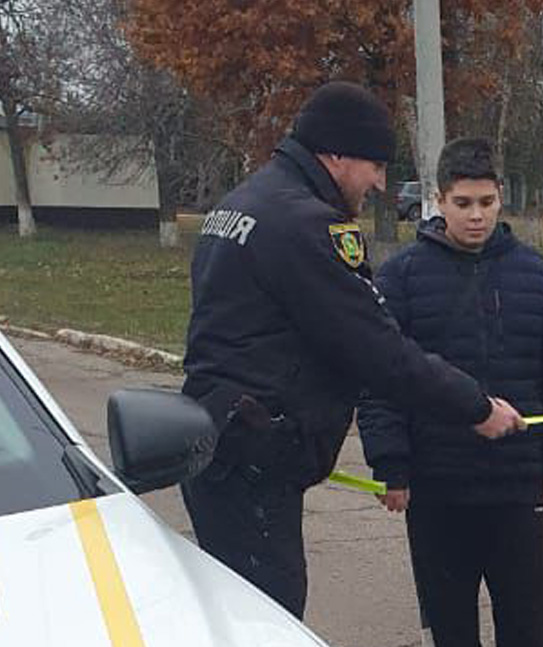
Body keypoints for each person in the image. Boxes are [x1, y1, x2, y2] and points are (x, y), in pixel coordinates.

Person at [181, 83, 523, 619]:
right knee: (267, 627)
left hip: (216, 443)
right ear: (336, 154)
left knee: (235, 617)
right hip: (253, 457)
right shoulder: (306, 225)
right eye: (376, 166)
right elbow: (377, 350)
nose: (381, 183)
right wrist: (475, 407)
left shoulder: (242, 204)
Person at [356, 138, 543, 647]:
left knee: (524, 600)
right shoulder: (402, 276)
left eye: (486, 201)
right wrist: (391, 465)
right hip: (437, 480)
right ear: (438, 200)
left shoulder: (532, 273)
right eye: (463, 202)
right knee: (447, 598)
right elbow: (380, 377)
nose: (476, 214)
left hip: (518, 478)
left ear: (501, 197)